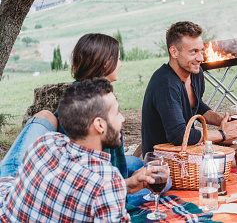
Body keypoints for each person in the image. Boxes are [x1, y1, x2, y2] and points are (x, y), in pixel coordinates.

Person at [0, 33, 146, 204]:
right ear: (106, 63)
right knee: (157, 182)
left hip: (84, 173)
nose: (121, 64)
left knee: (137, 163)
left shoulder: (77, 95)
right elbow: (93, 176)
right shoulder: (94, 105)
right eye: (119, 59)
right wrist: (126, 184)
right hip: (85, 181)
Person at [0, 78, 159, 221]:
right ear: (99, 125)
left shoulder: (45, 143)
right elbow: (97, 188)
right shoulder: (107, 182)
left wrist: (127, 185)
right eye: (116, 112)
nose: (122, 118)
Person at [142, 21, 237, 155]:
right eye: (193, 52)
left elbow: (198, 107)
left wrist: (224, 121)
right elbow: (178, 135)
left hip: (188, 147)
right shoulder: (166, 84)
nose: (200, 58)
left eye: (201, 50)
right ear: (174, 52)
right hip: (165, 156)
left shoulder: (196, 74)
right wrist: (223, 134)